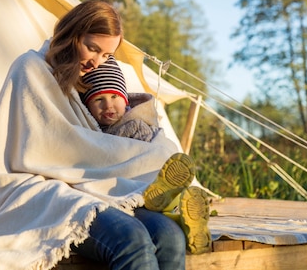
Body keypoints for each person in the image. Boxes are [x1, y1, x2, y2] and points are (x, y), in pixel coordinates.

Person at [0, 0, 201, 270]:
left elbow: (99, 139)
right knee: (131, 239)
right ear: (72, 34)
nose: (97, 61)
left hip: (87, 185)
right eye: (92, 48)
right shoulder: (30, 69)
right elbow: (53, 147)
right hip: (37, 186)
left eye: (106, 56)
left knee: (170, 236)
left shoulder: (87, 79)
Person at [80, 55, 212, 254]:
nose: (108, 106)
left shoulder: (134, 124)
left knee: (161, 196)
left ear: (125, 99)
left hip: (146, 181)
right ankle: (186, 224)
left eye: (115, 97)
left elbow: (151, 153)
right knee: (162, 212)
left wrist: (153, 168)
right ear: (87, 106)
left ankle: (179, 208)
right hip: (128, 191)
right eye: (99, 99)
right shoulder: (89, 129)